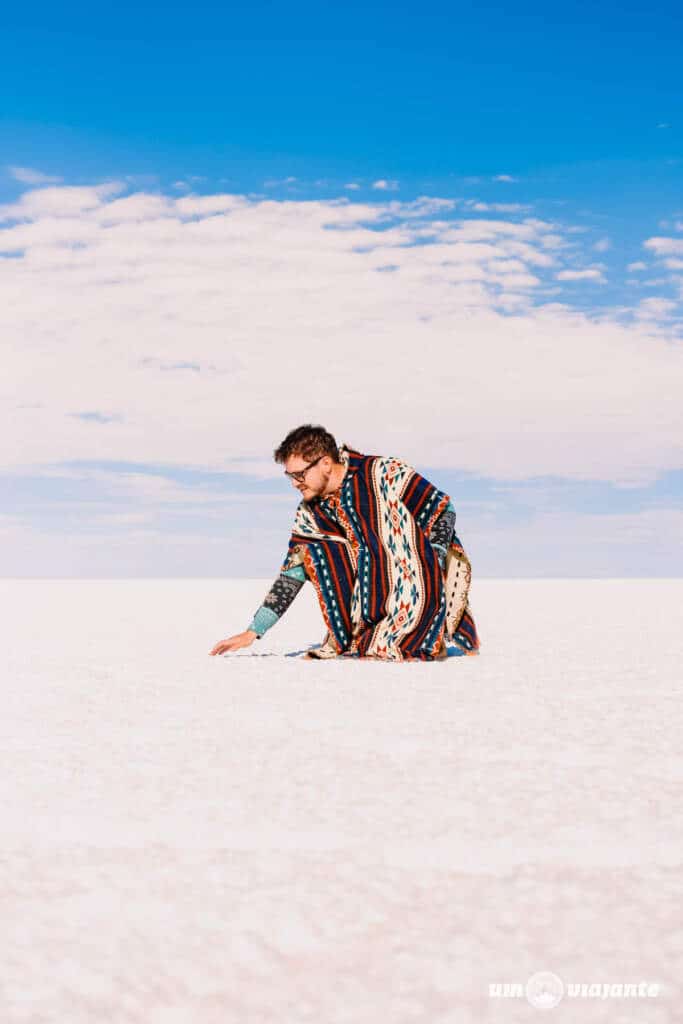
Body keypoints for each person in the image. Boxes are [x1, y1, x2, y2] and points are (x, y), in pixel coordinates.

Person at [209, 425, 480, 661]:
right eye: (289, 477)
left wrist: (434, 556)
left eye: (299, 474)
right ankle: (373, 629)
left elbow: (441, 509)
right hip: (370, 602)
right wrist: (254, 631)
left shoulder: (384, 472)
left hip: (420, 584)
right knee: (313, 550)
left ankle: (422, 626)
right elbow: (292, 571)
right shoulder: (310, 513)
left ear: (325, 463)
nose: (294, 484)